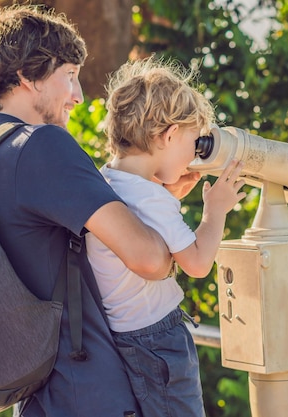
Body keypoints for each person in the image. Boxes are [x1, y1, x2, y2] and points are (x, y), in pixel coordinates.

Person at [0, 5, 180, 416]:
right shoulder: (40, 147)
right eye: (69, 76)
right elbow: (150, 259)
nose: (79, 96)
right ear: (29, 76)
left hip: (39, 399)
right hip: (93, 392)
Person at [85, 57, 246, 417]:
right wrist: (215, 210)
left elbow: (138, 219)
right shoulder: (152, 198)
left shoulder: (105, 180)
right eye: (194, 142)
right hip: (158, 339)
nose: (194, 156)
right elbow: (199, 263)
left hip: (121, 336)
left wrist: (170, 194)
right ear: (170, 135)